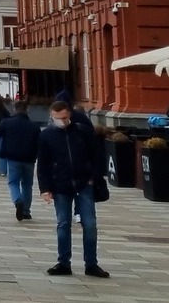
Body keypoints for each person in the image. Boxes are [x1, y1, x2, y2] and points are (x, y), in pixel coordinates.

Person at [37, 99, 110, 279]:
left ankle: (91, 263)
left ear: (68, 114)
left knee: (90, 224)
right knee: (63, 224)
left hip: (84, 183)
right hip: (60, 185)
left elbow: (97, 155)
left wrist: (93, 177)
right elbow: (43, 164)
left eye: (63, 117)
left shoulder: (83, 131)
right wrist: (45, 188)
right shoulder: (47, 135)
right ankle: (64, 262)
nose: (60, 121)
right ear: (51, 117)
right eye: (56, 118)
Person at [0, 100, 42, 221]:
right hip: (29, 159)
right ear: (27, 110)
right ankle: (26, 211)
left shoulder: (7, 122)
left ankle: (18, 201)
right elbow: (39, 143)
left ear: (14, 109)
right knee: (27, 185)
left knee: (13, 182)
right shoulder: (34, 126)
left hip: (13, 158)